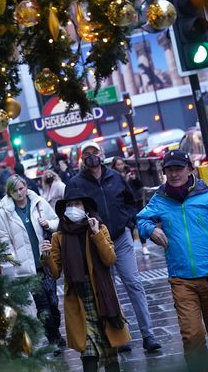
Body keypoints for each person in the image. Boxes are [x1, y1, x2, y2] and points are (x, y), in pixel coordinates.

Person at [137, 150, 208, 372]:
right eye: (169, 170)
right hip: (181, 280)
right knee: (192, 336)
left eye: (179, 169)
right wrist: (151, 229)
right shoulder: (159, 199)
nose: (174, 174)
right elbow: (142, 220)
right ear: (164, 173)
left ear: (190, 169)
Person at [65, 141, 161, 352]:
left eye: (94, 152)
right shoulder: (76, 184)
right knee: (108, 288)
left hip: (120, 238)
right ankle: (119, 337)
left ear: (102, 154)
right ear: (82, 159)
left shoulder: (116, 177)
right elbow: (69, 213)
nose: (91, 156)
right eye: (87, 154)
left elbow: (131, 201)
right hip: (95, 242)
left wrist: (128, 223)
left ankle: (148, 334)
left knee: (134, 283)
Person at [40, 191, 130, 372]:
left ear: (86, 208)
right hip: (78, 299)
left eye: (78, 204)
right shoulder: (59, 237)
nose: (73, 209)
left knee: (110, 351)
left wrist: (96, 234)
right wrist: (46, 256)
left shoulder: (99, 229)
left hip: (103, 297)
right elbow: (56, 273)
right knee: (88, 354)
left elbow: (110, 259)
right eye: (69, 205)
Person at [0, 175, 65, 353]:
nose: (20, 193)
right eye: (15, 190)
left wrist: (48, 223)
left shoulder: (39, 203)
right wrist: (14, 261)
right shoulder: (4, 213)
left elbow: (58, 222)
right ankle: (52, 339)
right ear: (9, 193)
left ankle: (56, 333)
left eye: (21, 188)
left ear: (26, 187)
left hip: (46, 262)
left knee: (53, 302)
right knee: (42, 304)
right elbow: (4, 241)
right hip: (27, 269)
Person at [111, 157, 149, 256]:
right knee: (130, 226)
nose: (120, 166)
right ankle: (131, 249)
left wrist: (134, 179)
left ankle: (144, 246)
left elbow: (140, 185)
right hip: (126, 205)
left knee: (140, 224)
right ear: (114, 166)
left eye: (121, 164)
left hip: (137, 201)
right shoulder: (114, 176)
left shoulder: (130, 171)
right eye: (118, 164)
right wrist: (126, 181)